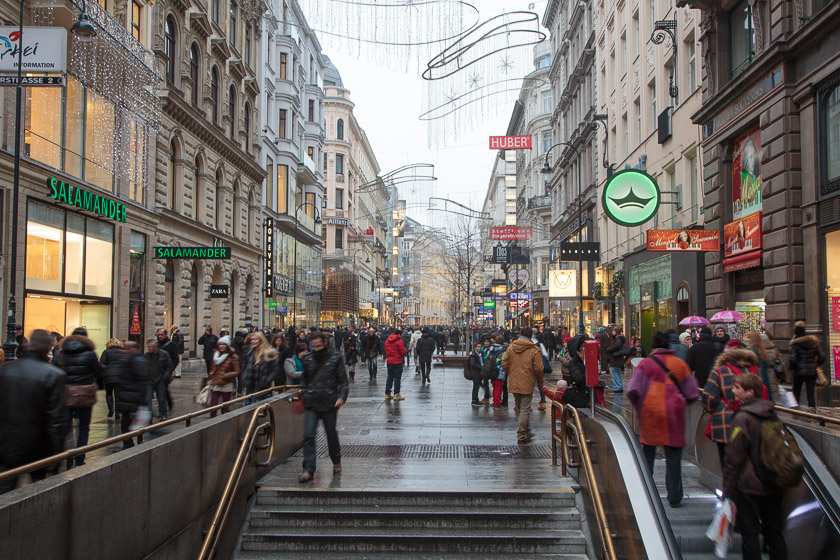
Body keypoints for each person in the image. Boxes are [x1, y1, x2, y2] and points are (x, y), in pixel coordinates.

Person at [627, 331, 699, 507]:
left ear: (653, 345)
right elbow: (692, 393)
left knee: (648, 456)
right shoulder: (679, 364)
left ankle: (646, 492)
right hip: (673, 417)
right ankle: (674, 496)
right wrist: (682, 402)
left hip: (650, 416)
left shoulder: (645, 365)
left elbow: (633, 390)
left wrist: (639, 408)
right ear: (669, 345)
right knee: (674, 460)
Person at [722, 374, 788, 560]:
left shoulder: (742, 418)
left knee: (750, 534)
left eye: (737, 387)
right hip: (773, 481)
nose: (733, 391)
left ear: (749, 392)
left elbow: (733, 458)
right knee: (774, 532)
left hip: (749, 485)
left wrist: (728, 491)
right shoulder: (772, 414)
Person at [0, 330, 66, 494]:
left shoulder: (6, 369)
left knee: (5, 490)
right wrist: (57, 453)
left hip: (6, 444)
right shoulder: (54, 375)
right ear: (49, 348)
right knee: (39, 492)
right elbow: (56, 420)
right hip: (39, 446)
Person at [703, 341, 766, 470]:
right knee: (749, 464)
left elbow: (709, 398)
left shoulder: (720, 371)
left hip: (726, 424)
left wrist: (717, 408)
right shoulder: (755, 370)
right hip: (753, 421)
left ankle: (731, 488)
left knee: (728, 466)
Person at [299, 332, 349, 483]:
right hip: (311, 402)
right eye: (313, 346)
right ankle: (308, 469)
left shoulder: (335, 357)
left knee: (331, 435)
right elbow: (304, 381)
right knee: (308, 435)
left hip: (329, 402)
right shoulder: (307, 359)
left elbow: (343, 381)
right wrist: (303, 394)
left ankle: (336, 461)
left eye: (319, 345)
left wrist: (341, 397)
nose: (316, 348)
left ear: (325, 343)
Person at [54, 327, 102, 468]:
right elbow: (99, 372)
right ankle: (80, 458)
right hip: (85, 395)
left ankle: (68, 456)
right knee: (83, 427)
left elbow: (55, 372)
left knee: (67, 427)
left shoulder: (60, 353)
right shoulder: (90, 354)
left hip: (66, 394)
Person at [502, 328, 545, 444]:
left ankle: (526, 429)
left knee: (520, 408)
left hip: (514, 381)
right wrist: (537, 377)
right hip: (527, 381)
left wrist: (511, 371)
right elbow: (539, 368)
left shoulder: (511, 347)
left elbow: (504, 363)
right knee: (524, 409)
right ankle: (522, 433)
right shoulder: (534, 350)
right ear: (530, 336)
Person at [115, 341, 149, 448]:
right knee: (128, 421)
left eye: (127, 348)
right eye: (125, 348)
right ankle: (129, 442)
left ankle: (130, 442)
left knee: (131, 421)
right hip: (128, 397)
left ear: (135, 349)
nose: (125, 350)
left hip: (132, 396)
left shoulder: (136, 360)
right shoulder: (127, 359)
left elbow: (142, 379)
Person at [789, 321, 823, 410]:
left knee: (796, 393)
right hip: (811, 372)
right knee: (810, 393)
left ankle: (795, 413)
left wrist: (793, 368)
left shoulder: (795, 343)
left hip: (798, 372)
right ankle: (812, 412)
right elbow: (822, 357)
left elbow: (793, 359)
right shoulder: (813, 341)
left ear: (796, 330)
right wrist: (816, 365)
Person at [208, 336, 240, 417]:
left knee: (225, 406)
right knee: (213, 404)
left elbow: (237, 371)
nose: (221, 346)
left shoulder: (233, 356)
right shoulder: (216, 355)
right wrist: (211, 375)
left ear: (227, 346)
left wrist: (225, 375)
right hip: (215, 383)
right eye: (220, 344)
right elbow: (213, 367)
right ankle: (212, 420)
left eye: (224, 344)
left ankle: (224, 419)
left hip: (227, 384)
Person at [242, 332, 280, 398]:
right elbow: (244, 367)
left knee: (262, 407)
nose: (253, 341)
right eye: (252, 339)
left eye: (255, 339)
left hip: (263, 389)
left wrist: (267, 381)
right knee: (250, 407)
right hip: (250, 388)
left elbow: (275, 370)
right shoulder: (249, 353)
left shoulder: (269, 353)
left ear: (261, 340)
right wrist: (244, 378)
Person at [144, 339, 173, 420]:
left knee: (161, 398)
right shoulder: (146, 355)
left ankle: (163, 414)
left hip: (160, 380)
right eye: (148, 347)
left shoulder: (164, 354)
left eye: (151, 347)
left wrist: (165, 376)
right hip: (149, 380)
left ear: (155, 346)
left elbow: (169, 366)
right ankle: (148, 416)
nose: (149, 348)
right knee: (148, 399)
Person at [746, 331, 777, 401]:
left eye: (748, 338)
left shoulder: (752, 350)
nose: (747, 340)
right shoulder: (761, 349)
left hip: (759, 378)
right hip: (768, 378)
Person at [562, 335, 591, 408]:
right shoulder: (573, 363)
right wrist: (585, 364)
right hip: (579, 397)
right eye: (583, 347)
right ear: (578, 350)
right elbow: (579, 379)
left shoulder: (589, 361)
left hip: (590, 397)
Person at [100, 338, 125, 420]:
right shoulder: (123, 352)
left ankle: (111, 411)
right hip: (120, 376)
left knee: (109, 394)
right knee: (118, 395)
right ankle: (118, 413)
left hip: (109, 376)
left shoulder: (106, 352)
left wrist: (107, 369)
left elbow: (101, 364)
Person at [384, 328, 407, 399]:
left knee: (390, 377)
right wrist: (406, 350)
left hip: (389, 361)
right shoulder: (399, 341)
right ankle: (396, 394)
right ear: (399, 334)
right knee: (397, 378)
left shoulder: (387, 340)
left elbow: (385, 349)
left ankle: (387, 394)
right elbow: (402, 352)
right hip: (397, 362)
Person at [468, 340, 491, 407]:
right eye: (477, 347)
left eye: (480, 347)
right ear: (475, 347)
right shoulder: (473, 355)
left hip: (479, 373)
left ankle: (476, 399)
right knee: (475, 387)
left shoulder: (479, 354)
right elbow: (472, 364)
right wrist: (481, 367)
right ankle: (474, 401)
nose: (479, 348)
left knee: (477, 387)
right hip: (476, 374)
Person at [605, 327, 628, 393]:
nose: (612, 332)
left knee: (614, 373)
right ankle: (619, 386)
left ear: (616, 332)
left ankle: (617, 386)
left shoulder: (618, 339)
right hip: (618, 359)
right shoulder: (619, 338)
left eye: (613, 331)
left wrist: (609, 349)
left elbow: (616, 346)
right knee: (617, 373)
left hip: (615, 359)